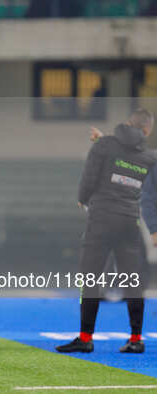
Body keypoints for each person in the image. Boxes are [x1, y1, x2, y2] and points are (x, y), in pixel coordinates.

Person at [56, 109, 157, 354]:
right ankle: (135, 339)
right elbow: (135, 171)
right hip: (129, 222)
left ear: (126, 123)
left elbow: (90, 175)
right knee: (133, 281)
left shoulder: (105, 146)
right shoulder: (148, 157)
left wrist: (82, 198)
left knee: (91, 278)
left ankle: (85, 338)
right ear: (146, 130)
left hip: (101, 219)